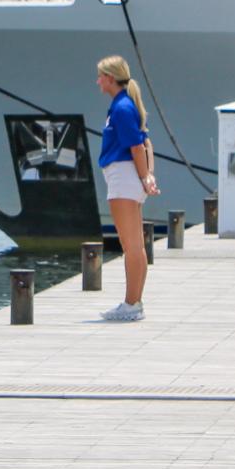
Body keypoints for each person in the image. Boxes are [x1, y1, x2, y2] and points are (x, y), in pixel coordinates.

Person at [96, 55, 158, 321]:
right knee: (136, 246)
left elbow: (136, 146)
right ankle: (134, 302)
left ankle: (131, 304)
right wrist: (147, 175)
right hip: (125, 177)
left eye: (100, 76)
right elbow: (145, 143)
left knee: (131, 245)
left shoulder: (121, 107)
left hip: (123, 177)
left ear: (111, 78)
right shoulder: (124, 106)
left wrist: (146, 177)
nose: (97, 81)